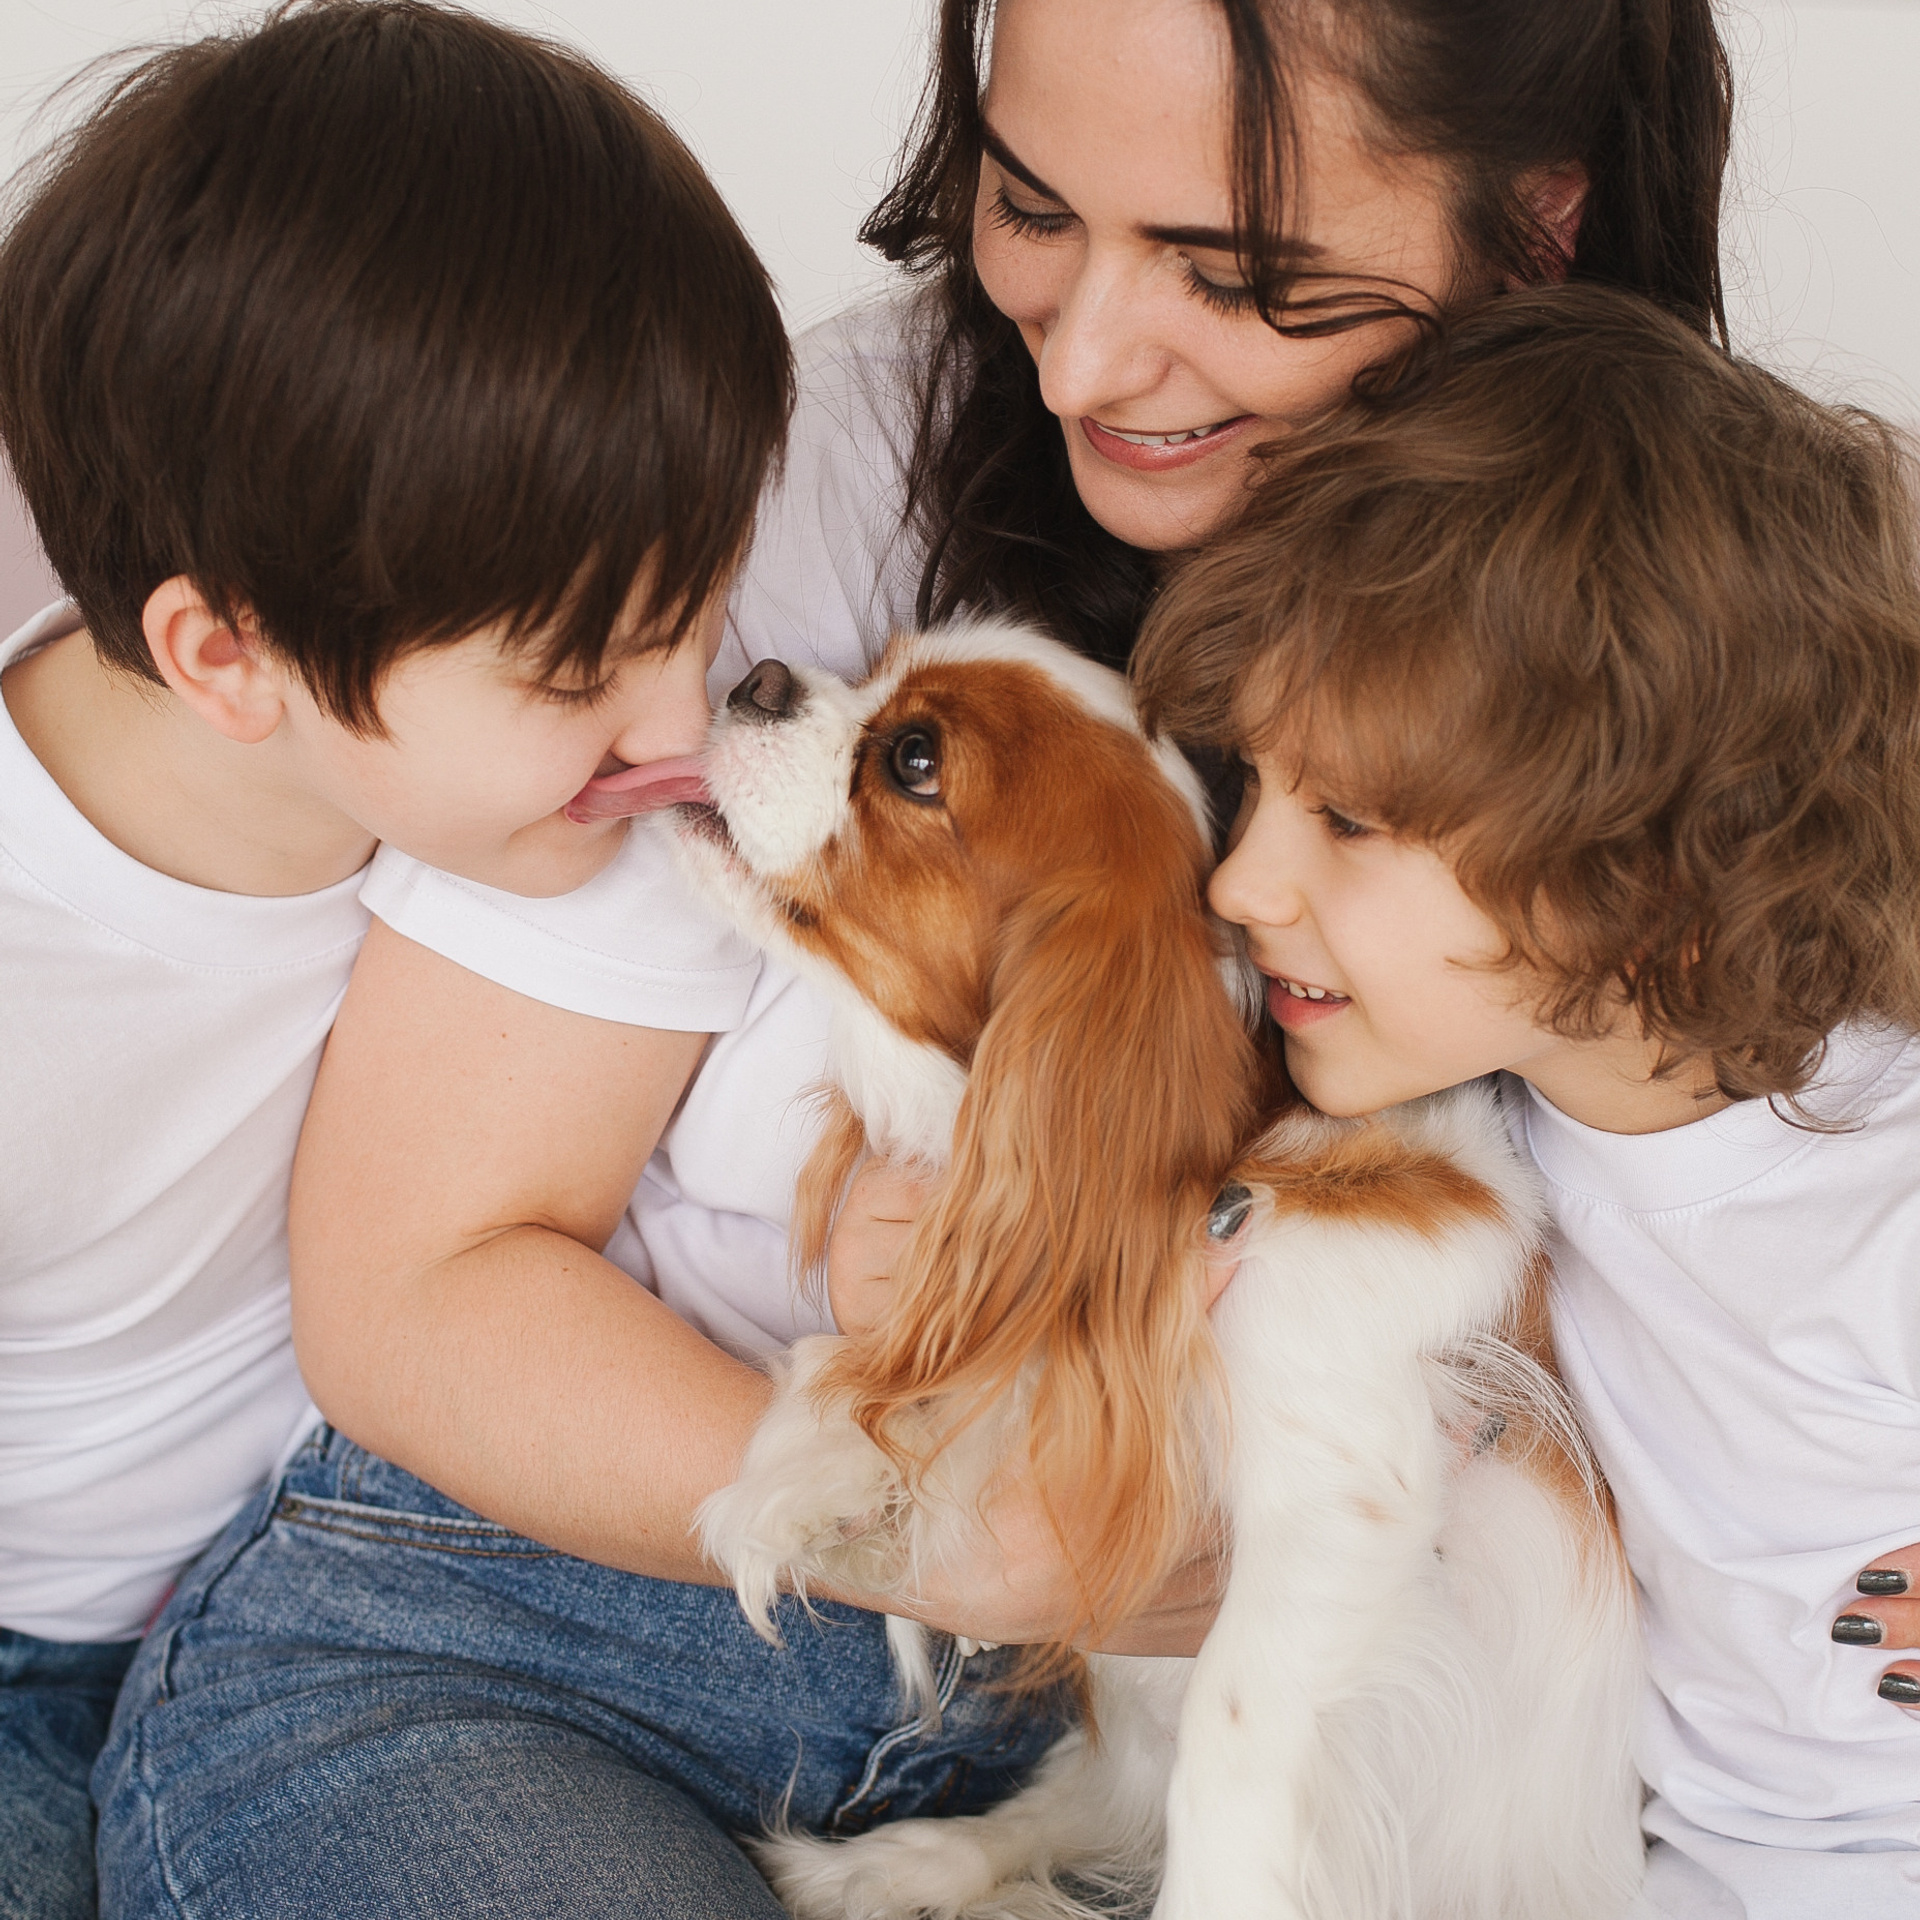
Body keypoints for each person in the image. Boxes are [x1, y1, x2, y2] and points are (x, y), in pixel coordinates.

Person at [101, 0, 1742, 1914]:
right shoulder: (788, 484)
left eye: (1231, 271)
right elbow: (411, 1284)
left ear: (1536, 227)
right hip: (528, 1640)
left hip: (1114, 1768)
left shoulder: (1682, 615)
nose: (1096, 359)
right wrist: (981, 1540)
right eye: (1033, 205)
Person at [0, 5, 793, 1916]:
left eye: (697, 613)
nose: (683, 723)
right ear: (226, 658)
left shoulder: (525, 812)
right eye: (580, 669)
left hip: (380, 1592)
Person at [1131, 281, 1920, 1917]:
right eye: (1258, 787)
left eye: (1348, 818)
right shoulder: (1490, 1134)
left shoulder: (1879, 1175)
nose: (1245, 877)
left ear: (1654, 875)